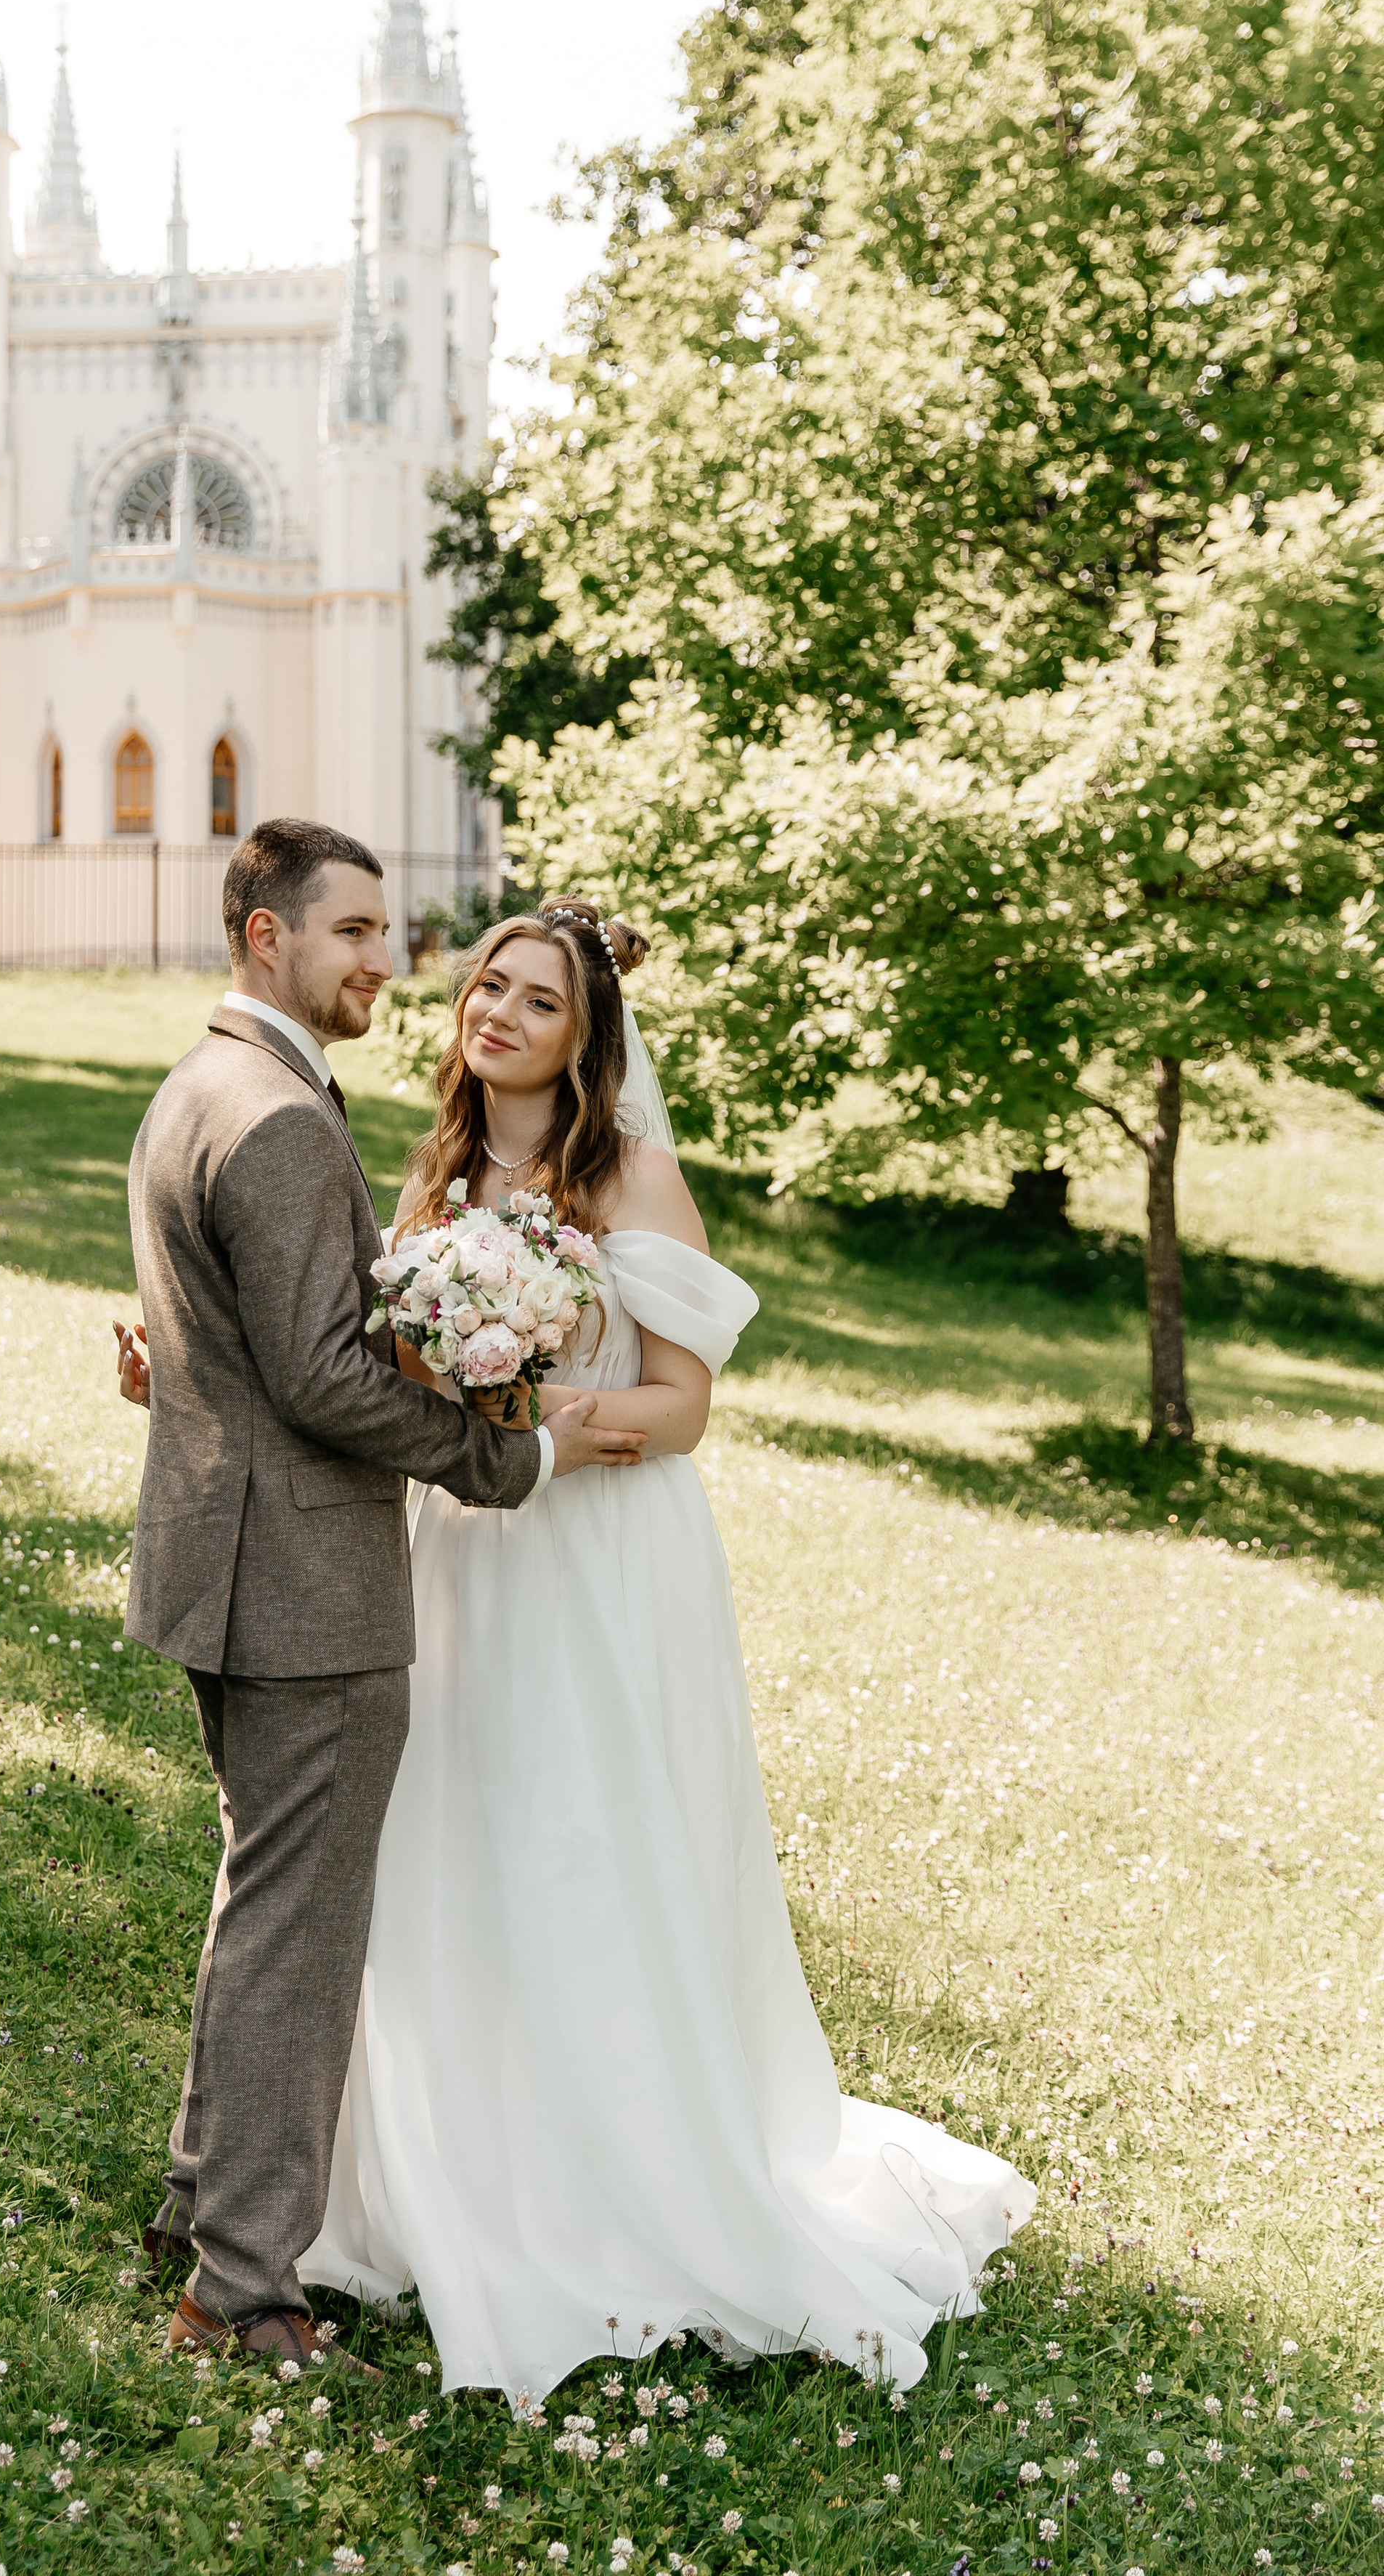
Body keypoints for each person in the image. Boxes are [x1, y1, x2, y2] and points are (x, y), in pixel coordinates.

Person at [300, 894, 1034, 2405]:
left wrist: (536, 1412)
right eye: (489, 986)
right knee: (450, 1836)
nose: (499, 1014)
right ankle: (451, 2171)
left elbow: (685, 1408)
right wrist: (451, 1397)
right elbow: (393, 1370)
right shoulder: (440, 1171)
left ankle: (616, 2183)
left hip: (595, 1555)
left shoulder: (630, 1173)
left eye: (539, 1001)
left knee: (584, 1840)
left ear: (588, 1042)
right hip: (462, 1551)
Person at [117, 822, 645, 2371]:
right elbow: (328, 1382)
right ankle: (240, 2291)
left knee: (261, 1903)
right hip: (303, 1587)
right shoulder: (279, 1119)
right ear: (265, 935)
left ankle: (201, 2209)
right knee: (299, 1932)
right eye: (351, 931)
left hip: (226, 1567)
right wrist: (508, 1460)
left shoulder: (201, 1083)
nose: (383, 960)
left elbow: (242, 1335)